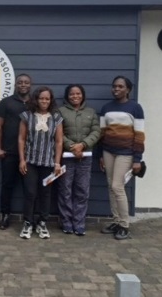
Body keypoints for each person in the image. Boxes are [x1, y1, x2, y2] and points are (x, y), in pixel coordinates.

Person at [98, 76, 145, 240]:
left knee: (118, 186)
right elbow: (102, 134)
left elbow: (139, 136)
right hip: (108, 152)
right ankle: (116, 220)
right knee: (111, 186)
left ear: (128, 89)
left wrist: (137, 159)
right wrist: (101, 156)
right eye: (114, 86)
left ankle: (125, 225)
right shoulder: (106, 108)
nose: (116, 89)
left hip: (126, 153)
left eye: (120, 86)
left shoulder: (135, 108)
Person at [18, 86, 63, 240]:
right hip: (30, 161)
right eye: (41, 98)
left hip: (48, 163)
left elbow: (58, 141)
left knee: (45, 194)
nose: (44, 101)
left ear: (51, 101)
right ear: (36, 99)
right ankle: (28, 223)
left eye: (47, 98)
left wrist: (57, 163)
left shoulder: (56, 118)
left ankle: (42, 223)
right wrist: (22, 160)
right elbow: (21, 139)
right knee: (30, 193)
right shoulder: (27, 116)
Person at [57, 84, 100, 236]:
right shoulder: (60, 111)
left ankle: (79, 223)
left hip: (85, 158)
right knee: (65, 191)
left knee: (82, 191)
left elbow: (96, 131)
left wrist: (83, 145)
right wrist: (71, 146)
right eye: (72, 94)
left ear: (83, 95)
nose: (75, 96)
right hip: (67, 157)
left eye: (78, 93)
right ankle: (66, 223)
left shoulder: (91, 112)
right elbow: (58, 133)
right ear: (67, 96)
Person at [0, 73, 32, 230]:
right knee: (7, 186)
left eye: (26, 82)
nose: (23, 85)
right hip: (9, 152)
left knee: (29, 188)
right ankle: (5, 216)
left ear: (30, 85)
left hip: (31, 154)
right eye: (20, 82)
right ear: (16, 85)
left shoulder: (36, 103)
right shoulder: (6, 103)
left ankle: (28, 219)